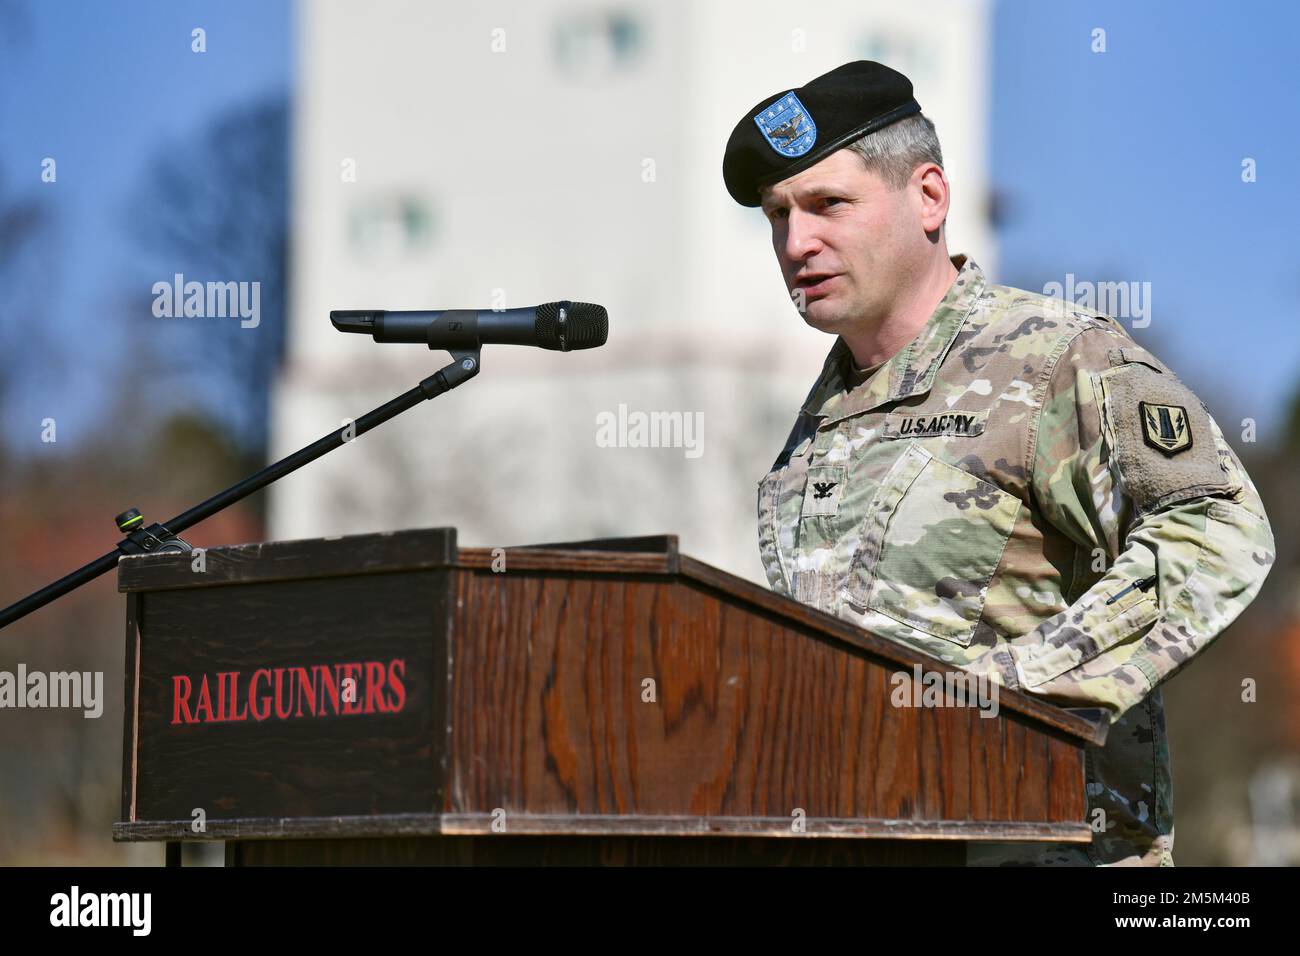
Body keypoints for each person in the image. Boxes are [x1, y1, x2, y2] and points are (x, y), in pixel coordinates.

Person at [723, 60, 1276, 865]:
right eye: (778, 215)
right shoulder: (816, 430)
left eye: (828, 204)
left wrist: (1001, 696)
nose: (796, 242)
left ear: (930, 198)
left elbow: (1221, 528)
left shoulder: (1052, 359)